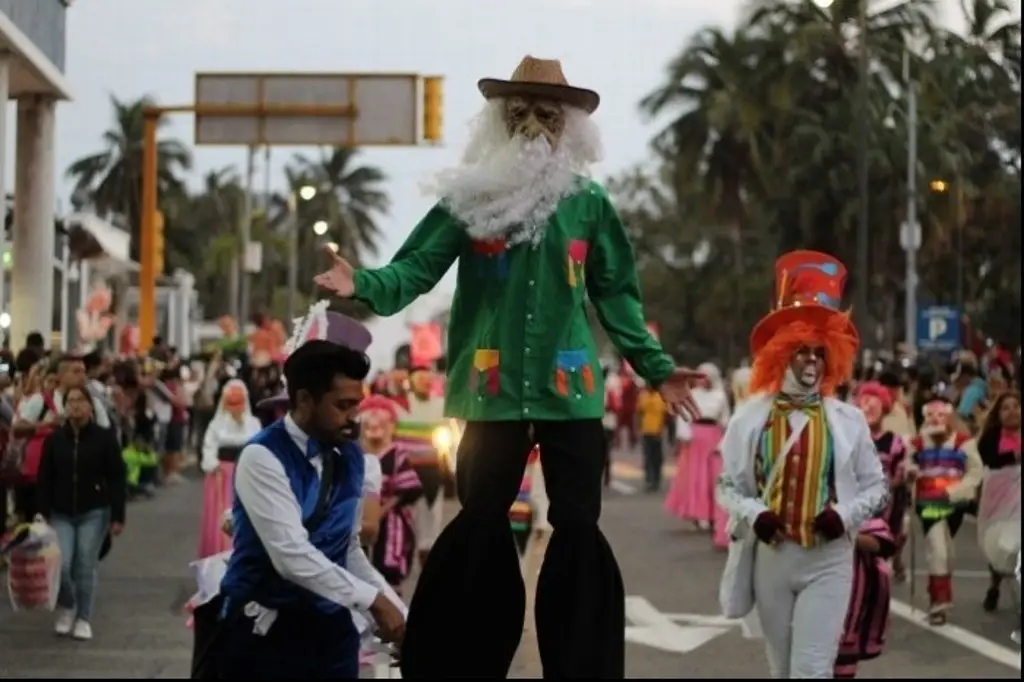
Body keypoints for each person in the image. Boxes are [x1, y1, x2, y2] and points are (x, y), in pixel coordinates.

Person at [314, 55, 703, 678]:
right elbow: (415, 267)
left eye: (546, 116)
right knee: (482, 519)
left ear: (567, 127)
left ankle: (580, 666)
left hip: (568, 388)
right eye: (519, 114)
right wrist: (361, 281)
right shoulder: (471, 199)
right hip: (490, 389)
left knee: (576, 526)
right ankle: (461, 663)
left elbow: (617, 297)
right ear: (500, 122)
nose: (532, 128)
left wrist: (656, 369)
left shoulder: (588, 205)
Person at [716, 250, 888, 678]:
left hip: (828, 559)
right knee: (781, 670)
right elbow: (726, 485)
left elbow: (876, 486)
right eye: (802, 352)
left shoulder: (847, 420)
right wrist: (755, 514)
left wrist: (844, 514)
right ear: (782, 355)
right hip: (772, 560)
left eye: (819, 353)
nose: (811, 361)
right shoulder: (751, 415)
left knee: (811, 670)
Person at [216, 303, 405, 678]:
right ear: (304, 400)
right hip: (263, 634)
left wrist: (397, 609)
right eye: (343, 405)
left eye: (358, 404)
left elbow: (347, 548)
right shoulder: (262, 456)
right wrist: (375, 601)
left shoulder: (351, 455)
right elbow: (291, 555)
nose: (355, 416)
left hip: (331, 633)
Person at [35, 385, 126, 641]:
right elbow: (44, 478)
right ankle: (67, 606)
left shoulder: (104, 438)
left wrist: (118, 515)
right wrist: (41, 512)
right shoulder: (54, 440)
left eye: (80, 400)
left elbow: (117, 477)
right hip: (60, 512)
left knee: (85, 564)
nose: (75, 405)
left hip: (95, 511)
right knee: (61, 564)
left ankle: (83, 618)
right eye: (70, 400)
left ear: (90, 406)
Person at [904, 395, 983, 624]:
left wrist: (955, 492)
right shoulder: (918, 443)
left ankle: (938, 592)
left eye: (940, 415)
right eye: (930, 415)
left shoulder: (963, 442)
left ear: (949, 417)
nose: (935, 420)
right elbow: (908, 462)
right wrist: (910, 470)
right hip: (928, 503)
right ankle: (939, 602)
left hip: (955, 504)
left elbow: (975, 473)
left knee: (946, 548)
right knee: (938, 546)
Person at [360, 395, 423, 594]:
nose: (374, 424)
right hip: (358, 520)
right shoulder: (355, 454)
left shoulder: (397, 453)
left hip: (390, 524)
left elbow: (407, 490)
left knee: (387, 569)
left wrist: (379, 512)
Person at [665, 362, 731, 538]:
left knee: (713, 479)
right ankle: (697, 515)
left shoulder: (720, 396)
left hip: (713, 438)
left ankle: (714, 516)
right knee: (695, 477)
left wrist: (723, 442)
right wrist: (684, 436)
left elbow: (725, 420)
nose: (704, 381)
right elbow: (683, 416)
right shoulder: (692, 394)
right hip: (694, 439)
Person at [198, 379, 261, 558]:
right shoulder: (216, 424)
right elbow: (208, 447)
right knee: (221, 515)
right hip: (221, 475)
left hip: (246, 474)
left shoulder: (253, 423)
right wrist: (212, 464)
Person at [854, 381, 910, 582]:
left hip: (883, 510)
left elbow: (899, 478)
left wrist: (902, 477)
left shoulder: (895, 443)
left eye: (874, 404)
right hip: (855, 507)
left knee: (877, 564)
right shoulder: (851, 439)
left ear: (885, 409)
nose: (868, 408)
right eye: (864, 403)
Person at [393, 365, 447, 567]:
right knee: (407, 514)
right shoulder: (399, 406)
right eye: (420, 378)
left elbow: (449, 436)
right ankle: (403, 549)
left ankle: (427, 551)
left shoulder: (441, 406)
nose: (425, 382)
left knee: (431, 512)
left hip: (432, 468)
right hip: (406, 471)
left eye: (428, 378)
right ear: (411, 381)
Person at [974, 390, 1020, 614]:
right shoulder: (992, 436)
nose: (1012, 411)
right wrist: (1015, 458)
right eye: (1006, 407)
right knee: (999, 545)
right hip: (999, 500)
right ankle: (995, 584)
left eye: (1016, 406)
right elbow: (989, 459)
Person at [636, 381, 669, 493]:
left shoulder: (660, 396)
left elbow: (665, 415)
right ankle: (649, 480)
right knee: (648, 456)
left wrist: (663, 429)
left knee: (657, 457)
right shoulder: (643, 396)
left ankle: (656, 479)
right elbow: (639, 412)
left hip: (657, 431)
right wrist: (638, 427)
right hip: (646, 430)